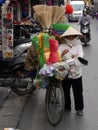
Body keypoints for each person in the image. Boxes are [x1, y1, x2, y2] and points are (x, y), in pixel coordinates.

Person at [59, 26, 84, 116]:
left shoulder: (78, 46)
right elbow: (58, 59)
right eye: (69, 37)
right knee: (65, 91)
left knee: (78, 91)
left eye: (72, 36)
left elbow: (81, 58)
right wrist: (62, 54)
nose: (70, 38)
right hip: (65, 73)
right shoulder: (62, 46)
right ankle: (67, 107)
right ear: (65, 38)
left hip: (76, 73)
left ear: (75, 37)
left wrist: (75, 56)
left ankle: (79, 108)